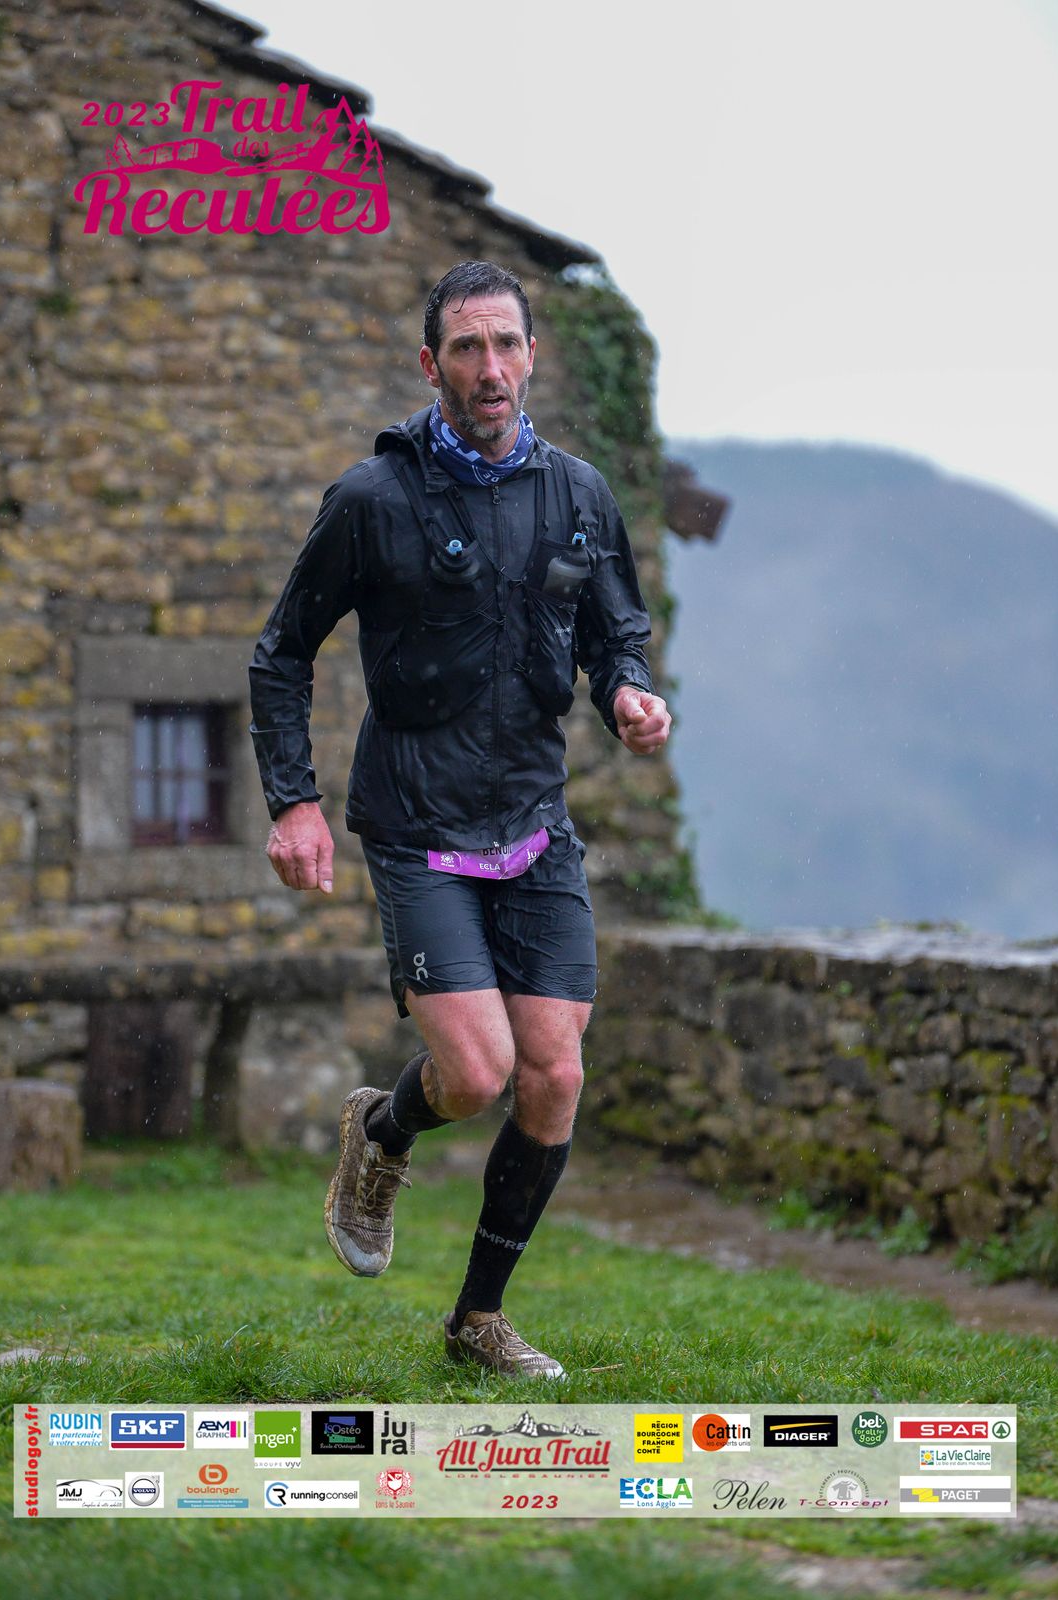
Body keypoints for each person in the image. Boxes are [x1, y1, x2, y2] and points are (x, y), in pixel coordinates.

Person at [249, 260, 671, 1379]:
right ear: (430, 365)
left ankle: (477, 1320)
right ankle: (382, 1132)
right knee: (477, 1075)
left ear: (532, 356)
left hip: (532, 822)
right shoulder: (371, 501)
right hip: (418, 823)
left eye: (506, 345)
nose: (489, 368)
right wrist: (294, 802)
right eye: (467, 348)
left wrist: (628, 690)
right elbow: (281, 653)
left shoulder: (577, 494)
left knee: (555, 1075)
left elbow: (615, 632)